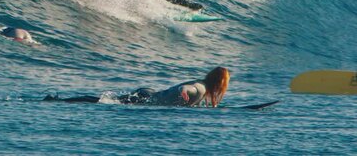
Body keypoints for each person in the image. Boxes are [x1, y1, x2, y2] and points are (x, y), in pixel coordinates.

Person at [44, 67, 230, 107]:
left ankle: (62, 100)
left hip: (150, 94)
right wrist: (183, 91)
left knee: (104, 101)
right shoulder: (200, 88)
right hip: (146, 97)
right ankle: (59, 100)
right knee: (101, 101)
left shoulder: (203, 87)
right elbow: (190, 89)